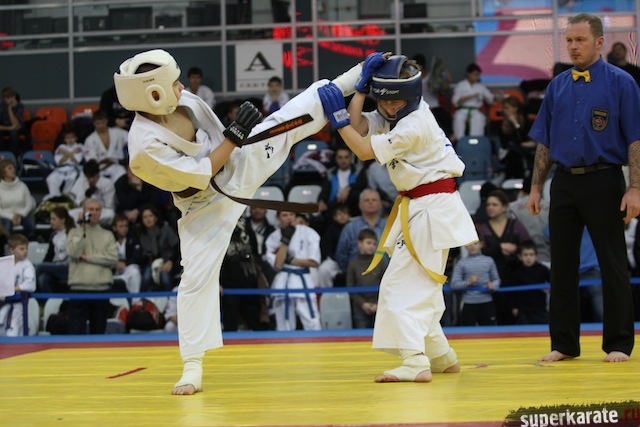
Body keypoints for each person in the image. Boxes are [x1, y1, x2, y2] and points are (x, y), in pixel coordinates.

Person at [113, 48, 363, 394]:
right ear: (153, 95)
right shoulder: (143, 147)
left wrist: (239, 136)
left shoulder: (185, 101)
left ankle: (355, 78)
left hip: (236, 163)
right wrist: (234, 135)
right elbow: (199, 176)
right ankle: (192, 365)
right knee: (195, 279)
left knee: (283, 123)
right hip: (202, 206)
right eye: (174, 84)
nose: (182, 87)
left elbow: (227, 143)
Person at [316, 52, 478, 382]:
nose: (389, 108)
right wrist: (360, 91)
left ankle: (414, 361)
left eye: (395, 102)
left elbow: (362, 149)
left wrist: (338, 118)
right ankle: (442, 356)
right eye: (384, 101)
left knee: (399, 285)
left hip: (431, 207)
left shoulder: (414, 124)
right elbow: (360, 126)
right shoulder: (396, 113)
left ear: (412, 95)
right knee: (422, 286)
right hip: (422, 205)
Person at [527, 13, 640, 363]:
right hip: (563, 182)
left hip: (604, 179)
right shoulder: (557, 86)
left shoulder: (622, 83)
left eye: (580, 40)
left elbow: (636, 139)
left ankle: (619, 343)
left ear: (599, 42)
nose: (573, 46)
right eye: (569, 40)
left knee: (612, 262)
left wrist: (635, 188)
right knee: (562, 265)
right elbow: (544, 142)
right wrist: (536, 187)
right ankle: (564, 343)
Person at [477, 189, 531, 324]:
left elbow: (529, 246)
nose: (490, 208)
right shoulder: (483, 229)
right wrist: (500, 248)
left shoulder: (516, 225)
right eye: (488, 205)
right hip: (493, 279)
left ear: (504, 207)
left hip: (516, 277)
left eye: (494, 204)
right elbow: (479, 253)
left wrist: (516, 249)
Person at [66, 199, 118, 334]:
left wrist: (87, 258)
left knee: (99, 334)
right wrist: (82, 228)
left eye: (97, 210)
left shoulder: (107, 235)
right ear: (83, 212)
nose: (94, 213)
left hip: (101, 289)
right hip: (78, 288)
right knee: (76, 334)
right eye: (91, 209)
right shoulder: (74, 232)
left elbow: (113, 259)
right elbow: (73, 253)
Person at [265, 210, 322, 331]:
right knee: (283, 324)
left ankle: (316, 341)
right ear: (278, 218)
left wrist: (290, 260)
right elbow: (278, 265)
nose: (289, 218)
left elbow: (314, 262)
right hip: (283, 280)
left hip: (303, 279)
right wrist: (285, 240)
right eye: (285, 215)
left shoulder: (309, 233)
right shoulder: (273, 237)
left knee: (311, 320)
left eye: (291, 215)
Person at [220, 216, 269, 331]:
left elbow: (255, 252)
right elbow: (213, 258)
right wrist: (217, 282)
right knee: (230, 322)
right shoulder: (218, 224)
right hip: (228, 282)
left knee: (255, 321)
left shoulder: (246, 224)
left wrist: (258, 277)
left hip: (249, 279)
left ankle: (260, 341)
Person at [334, 189, 386, 274]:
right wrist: (352, 273)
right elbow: (341, 255)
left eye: (374, 200)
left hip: (386, 276)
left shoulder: (390, 227)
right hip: (358, 277)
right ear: (360, 205)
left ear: (380, 204)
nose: (370, 202)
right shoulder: (350, 228)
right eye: (366, 200)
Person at [449, 240, 500, 326]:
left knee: (489, 332)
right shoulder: (461, 263)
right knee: (468, 332)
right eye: (469, 244)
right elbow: (454, 284)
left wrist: (493, 285)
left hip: (487, 303)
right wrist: (468, 282)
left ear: (481, 244)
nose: (472, 246)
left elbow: (497, 280)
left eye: (475, 243)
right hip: (468, 304)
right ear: (465, 246)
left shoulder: (489, 261)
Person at [507, 175, 550, 267]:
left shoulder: (512, 208)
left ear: (522, 190)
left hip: (523, 259)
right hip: (547, 258)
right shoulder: (550, 207)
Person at [347, 228, 385, 328]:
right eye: (368, 243)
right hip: (359, 309)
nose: (372, 246)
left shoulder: (380, 262)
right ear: (359, 243)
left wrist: (378, 304)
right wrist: (363, 304)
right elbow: (350, 288)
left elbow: (387, 284)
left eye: (374, 244)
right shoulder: (353, 264)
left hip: (380, 308)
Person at [136, 204, 180, 292]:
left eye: (150, 216)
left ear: (156, 218)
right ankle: (141, 299)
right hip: (150, 263)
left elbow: (177, 246)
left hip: (168, 261)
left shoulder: (165, 228)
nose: (148, 219)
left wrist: (170, 261)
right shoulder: (140, 233)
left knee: (165, 277)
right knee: (146, 277)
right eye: (145, 217)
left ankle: (169, 299)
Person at [0, 233, 36, 336]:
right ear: (12, 250)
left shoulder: (27, 265)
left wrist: (14, 288)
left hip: (19, 304)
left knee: (14, 332)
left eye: (26, 248)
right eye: (21, 249)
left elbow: (30, 285)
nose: (25, 251)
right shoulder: (4, 264)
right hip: (3, 303)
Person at [507, 240, 550, 325]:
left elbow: (554, 282)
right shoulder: (516, 273)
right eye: (525, 255)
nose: (528, 258)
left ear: (536, 256)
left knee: (543, 331)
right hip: (523, 310)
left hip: (540, 309)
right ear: (520, 257)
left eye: (531, 254)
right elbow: (512, 293)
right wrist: (513, 307)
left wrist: (548, 289)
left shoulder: (543, 269)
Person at [36, 207, 75, 293]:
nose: (51, 221)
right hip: (57, 265)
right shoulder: (54, 235)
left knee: (39, 267)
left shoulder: (72, 233)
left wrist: (43, 265)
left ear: (62, 220)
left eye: (54, 219)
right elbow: (49, 256)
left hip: (70, 267)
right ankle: (48, 300)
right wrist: (45, 264)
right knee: (43, 278)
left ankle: (29, 293)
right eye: (50, 219)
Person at [83, 109, 128, 183]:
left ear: (107, 121)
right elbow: (91, 160)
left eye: (103, 122)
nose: (101, 125)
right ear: (93, 123)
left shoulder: (118, 133)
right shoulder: (89, 140)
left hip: (117, 166)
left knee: (122, 175)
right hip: (99, 168)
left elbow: (132, 139)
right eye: (98, 123)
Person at [451, 63, 495, 140]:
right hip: (462, 109)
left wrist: (497, 97)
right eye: (475, 74)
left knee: (479, 118)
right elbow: (455, 101)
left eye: (478, 75)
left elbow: (490, 99)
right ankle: (460, 141)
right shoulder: (461, 85)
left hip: (475, 110)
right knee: (458, 118)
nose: (477, 77)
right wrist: (471, 96)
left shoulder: (480, 87)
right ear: (468, 74)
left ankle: (475, 141)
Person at [317, 145, 362, 220]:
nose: (343, 160)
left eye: (346, 157)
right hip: (334, 206)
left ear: (351, 158)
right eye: (340, 158)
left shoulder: (358, 170)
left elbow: (362, 185)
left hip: (353, 206)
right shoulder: (330, 173)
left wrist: (348, 188)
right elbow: (325, 190)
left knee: (355, 194)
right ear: (336, 159)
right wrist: (321, 201)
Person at [69, 159, 116, 227]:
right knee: (70, 214)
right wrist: (87, 196)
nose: (90, 180)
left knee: (111, 214)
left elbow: (108, 206)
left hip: (100, 211)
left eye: (93, 177)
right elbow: (80, 203)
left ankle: (88, 223)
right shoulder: (82, 181)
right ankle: (84, 225)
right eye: (88, 177)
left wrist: (97, 197)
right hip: (86, 211)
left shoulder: (107, 183)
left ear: (98, 174)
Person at [497, 96, 536, 179]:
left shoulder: (525, 121)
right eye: (504, 108)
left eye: (507, 108)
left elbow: (523, 138)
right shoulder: (505, 124)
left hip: (526, 151)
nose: (504, 110)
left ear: (515, 108)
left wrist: (515, 123)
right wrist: (514, 123)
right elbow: (508, 142)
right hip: (511, 153)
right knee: (515, 155)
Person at [0, 158, 36, 240]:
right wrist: (12, 216)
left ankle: (32, 243)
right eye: (10, 168)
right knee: (6, 225)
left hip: (22, 214)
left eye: (13, 168)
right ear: (3, 172)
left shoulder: (22, 186)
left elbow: (29, 204)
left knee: (30, 223)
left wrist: (20, 214)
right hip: (7, 216)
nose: (13, 170)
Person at [317, 204, 351, 288]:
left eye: (345, 214)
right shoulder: (330, 230)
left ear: (349, 216)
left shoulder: (353, 228)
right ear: (335, 217)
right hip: (334, 261)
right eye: (339, 214)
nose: (342, 216)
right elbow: (326, 248)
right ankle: (326, 292)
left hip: (351, 260)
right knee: (323, 269)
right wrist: (336, 258)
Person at [46, 127, 84, 197]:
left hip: (73, 169)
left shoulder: (80, 146)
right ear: (64, 139)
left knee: (71, 178)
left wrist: (65, 152)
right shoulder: (61, 146)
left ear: (76, 138)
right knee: (50, 179)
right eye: (67, 138)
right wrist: (72, 152)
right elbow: (59, 162)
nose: (70, 139)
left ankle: (66, 197)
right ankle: (55, 198)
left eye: (72, 137)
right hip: (60, 168)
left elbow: (76, 160)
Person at [111, 214, 143, 296]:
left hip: (128, 266)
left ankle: (135, 300)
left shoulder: (133, 238)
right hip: (112, 268)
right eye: (121, 226)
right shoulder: (109, 239)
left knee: (134, 272)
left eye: (126, 226)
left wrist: (125, 263)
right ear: (114, 228)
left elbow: (137, 256)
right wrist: (114, 264)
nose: (124, 229)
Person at [0, 86, 28, 155]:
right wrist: (9, 128)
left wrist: (10, 108)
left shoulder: (20, 106)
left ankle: (14, 155)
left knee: (14, 133)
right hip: (4, 126)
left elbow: (15, 124)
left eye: (12, 97)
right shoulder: (1, 106)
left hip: (18, 127)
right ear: (4, 99)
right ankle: (1, 155)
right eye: (8, 98)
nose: (11, 100)